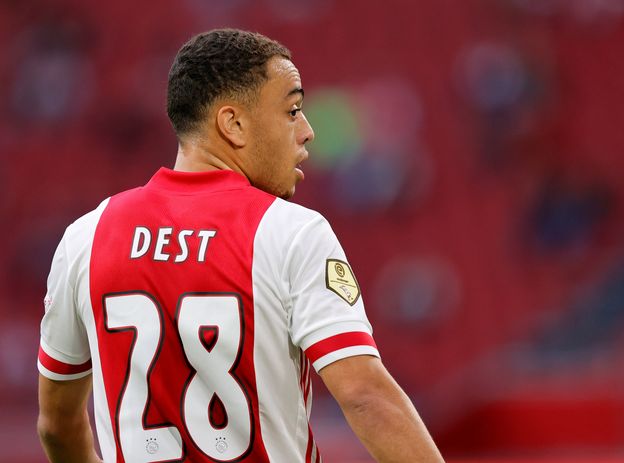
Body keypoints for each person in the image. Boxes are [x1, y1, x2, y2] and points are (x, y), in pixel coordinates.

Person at [36, 28, 444, 463]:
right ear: (232, 124)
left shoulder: (86, 237)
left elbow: (57, 427)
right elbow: (365, 396)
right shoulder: (293, 232)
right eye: (292, 111)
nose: (307, 131)